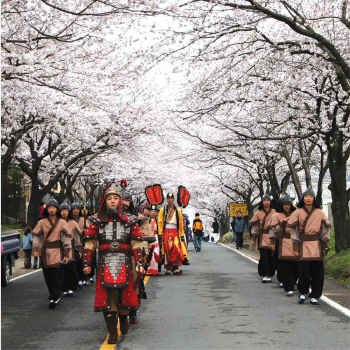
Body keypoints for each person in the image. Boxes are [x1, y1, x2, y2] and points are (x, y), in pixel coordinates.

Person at [83, 182, 145, 344]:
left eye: (115, 198)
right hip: (105, 263)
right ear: (105, 201)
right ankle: (112, 332)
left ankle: (124, 317)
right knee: (108, 299)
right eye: (109, 198)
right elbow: (90, 244)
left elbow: (137, 244)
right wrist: (87, 263)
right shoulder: (97, 221)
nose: (112, 201)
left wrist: (139, 263)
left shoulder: (131, 220)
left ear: (120, 201)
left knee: (124, 297)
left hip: (125, 262)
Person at [285, 188, 331, 305]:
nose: (309, 198)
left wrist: (325, 245)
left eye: (311, 196)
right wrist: (295, 248)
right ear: (303, 199)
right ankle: (303, 292)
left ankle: (315, 295)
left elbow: (325, 230)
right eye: (306, 196)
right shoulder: (297, 212)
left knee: (317, 272)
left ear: (314, 198)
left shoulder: (319, 212)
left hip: (316, 245)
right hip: (303, 245)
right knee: (304, 272)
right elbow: (294, 231)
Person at [32, 199, 72, 309]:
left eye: (53, 208)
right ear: (47, 210)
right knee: (48, 275)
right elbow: (37, 237)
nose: (51, 210)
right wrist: (36, 249)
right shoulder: (42, 223)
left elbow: (66, 239)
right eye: (49, 208)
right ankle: (53, 295)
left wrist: (67, 254)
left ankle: (55, 296)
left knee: (57, 275)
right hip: (45, 252)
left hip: (58, 251)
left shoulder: (62, 223)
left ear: (57, 209)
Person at [269, 195, 299, 296]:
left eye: (288, 204)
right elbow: (274, 231)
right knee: (285, 266)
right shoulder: (276, 216)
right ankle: (288, 287)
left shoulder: (296, 214)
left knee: (296, 266)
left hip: (295, 241)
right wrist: (273, 242)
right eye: (285, 204)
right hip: (282, 242)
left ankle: (293, 282)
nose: (287, 207)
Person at [158, 192, 189, 274]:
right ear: (167, 199)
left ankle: (175, 266)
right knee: (167, 249)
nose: (170, 200)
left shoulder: (178, 210)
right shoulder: (162, 210)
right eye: (169, 198)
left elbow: (181, 223)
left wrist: (181, 234)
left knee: (176, 248)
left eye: (171, 198)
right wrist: (160, 234)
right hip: (166, 231)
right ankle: (168, 267)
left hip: (175, 231)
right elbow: (160, 222)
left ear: (174, 199)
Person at [250, 194, 276, 283]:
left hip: (273, 237)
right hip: (262, 237)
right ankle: (264, 274)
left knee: (271, 257)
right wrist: (254, 238)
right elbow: (255, 227)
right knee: (263, 257)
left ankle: (270, 274)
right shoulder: (258, 213)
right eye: (264, 200)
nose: (266, 202)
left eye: (268, 200)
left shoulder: (275, 212)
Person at [60, 203, 82, 297]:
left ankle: (71, 286)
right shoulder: (57, 222)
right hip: (58, 248)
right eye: (62, 211)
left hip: (70, 248)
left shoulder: (73, 223)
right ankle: (64, 288)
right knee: (60, 269)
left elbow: (77, 236)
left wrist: (79, 249)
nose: (64, 213)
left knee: (71, 269)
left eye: (65, 211)